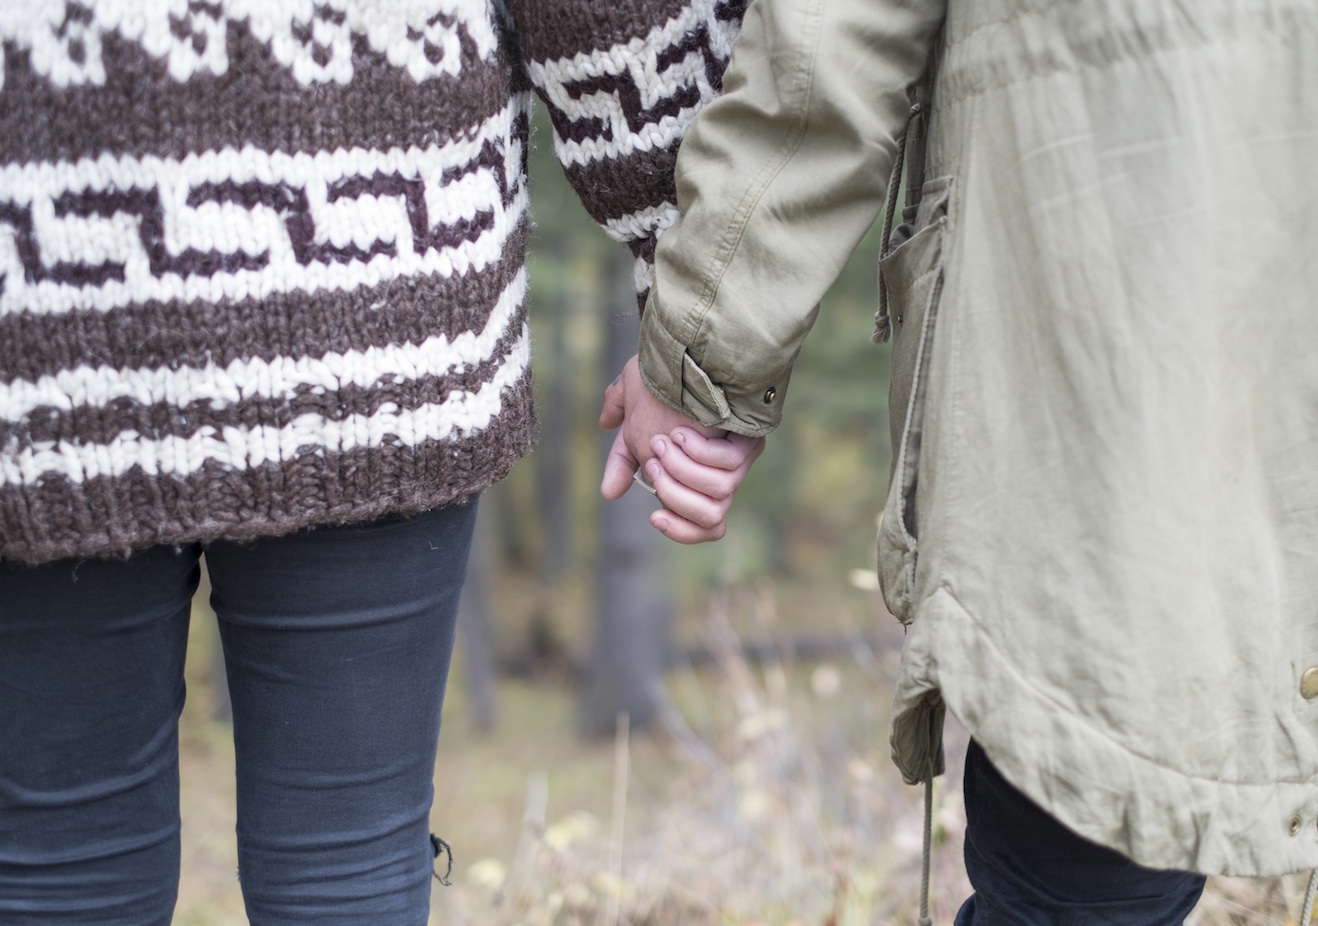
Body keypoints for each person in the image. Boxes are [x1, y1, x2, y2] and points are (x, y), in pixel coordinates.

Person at [601, 0, 1318, 922]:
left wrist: (705, 349)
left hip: (1105, 357)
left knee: (1078, 892)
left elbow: (832, 41)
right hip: (1109, 347)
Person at [0, 0, 760, 922]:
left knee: (57, 867)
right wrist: (691, 302)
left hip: (36, 316)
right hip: (377, 302)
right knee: (346, 862)